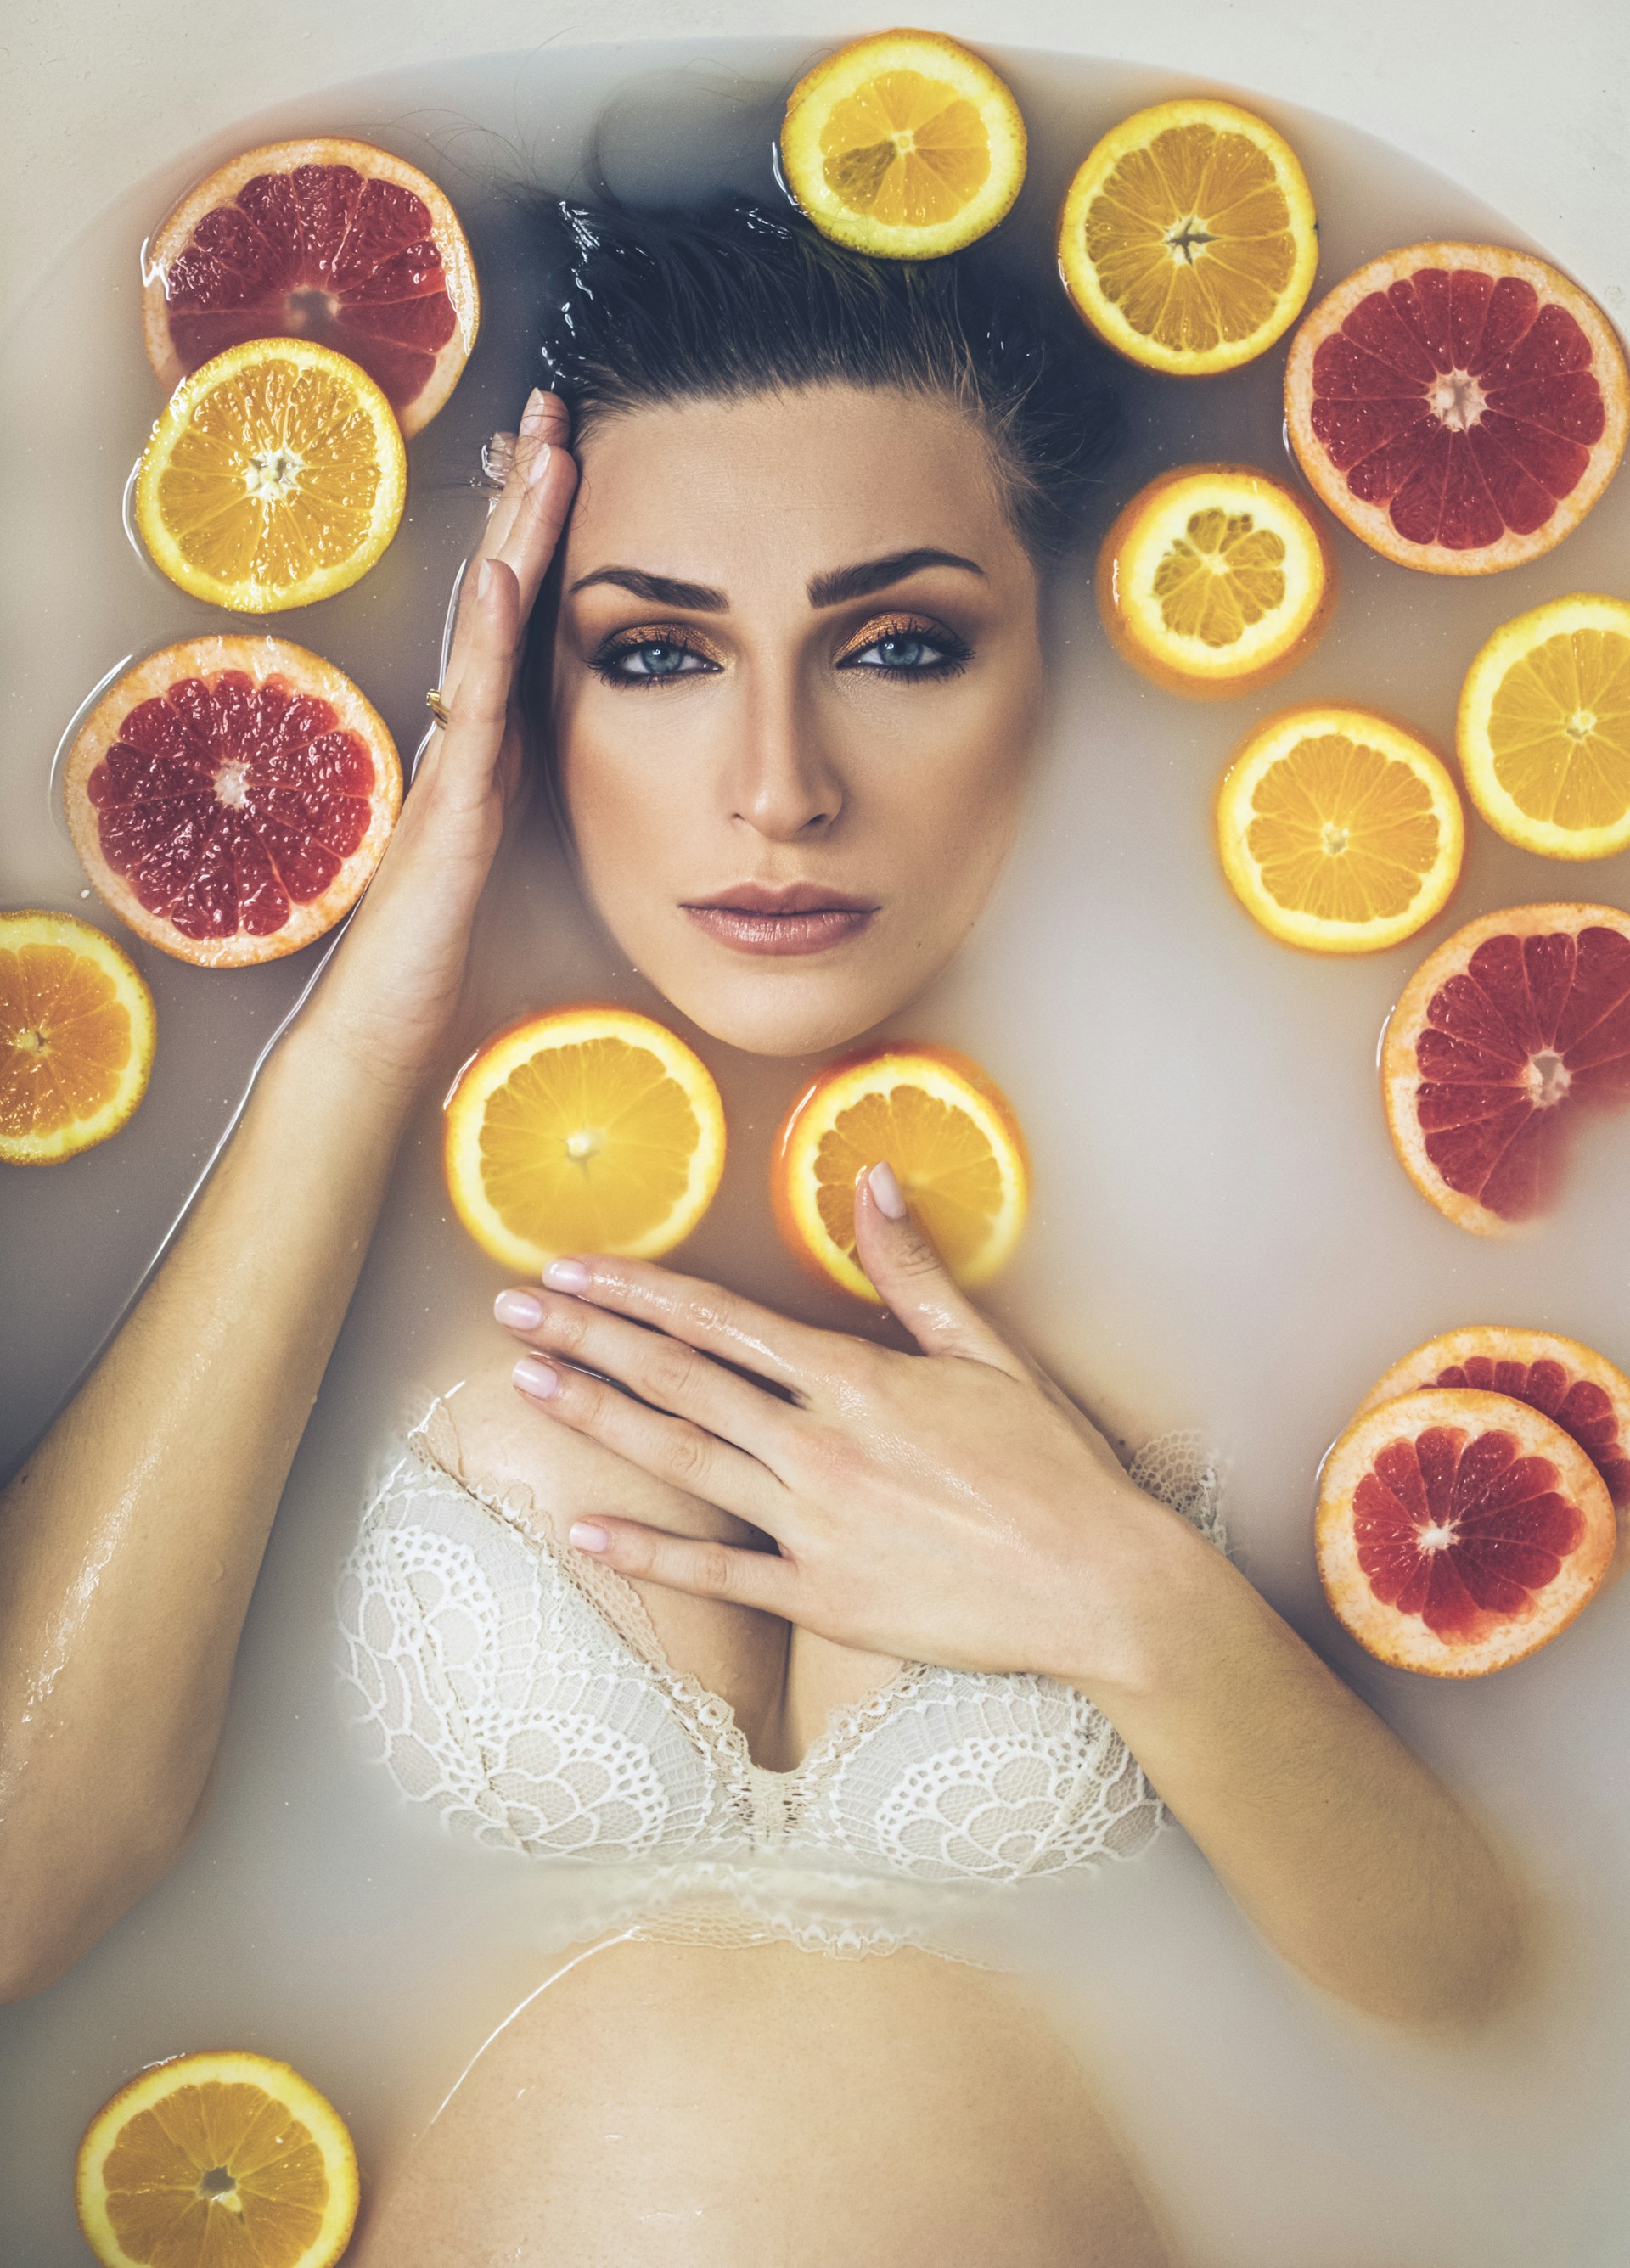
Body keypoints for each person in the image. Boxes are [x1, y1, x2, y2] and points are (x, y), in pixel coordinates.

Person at [0, 205, 1523, 2265]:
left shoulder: (1296, 1212)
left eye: (900, 644)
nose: (777, 786)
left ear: (1057, 663)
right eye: (653, 652)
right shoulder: (339, 1269)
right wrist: (370, 1011)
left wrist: (1129, 1600)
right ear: (534, 691)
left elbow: (1496, 2018)